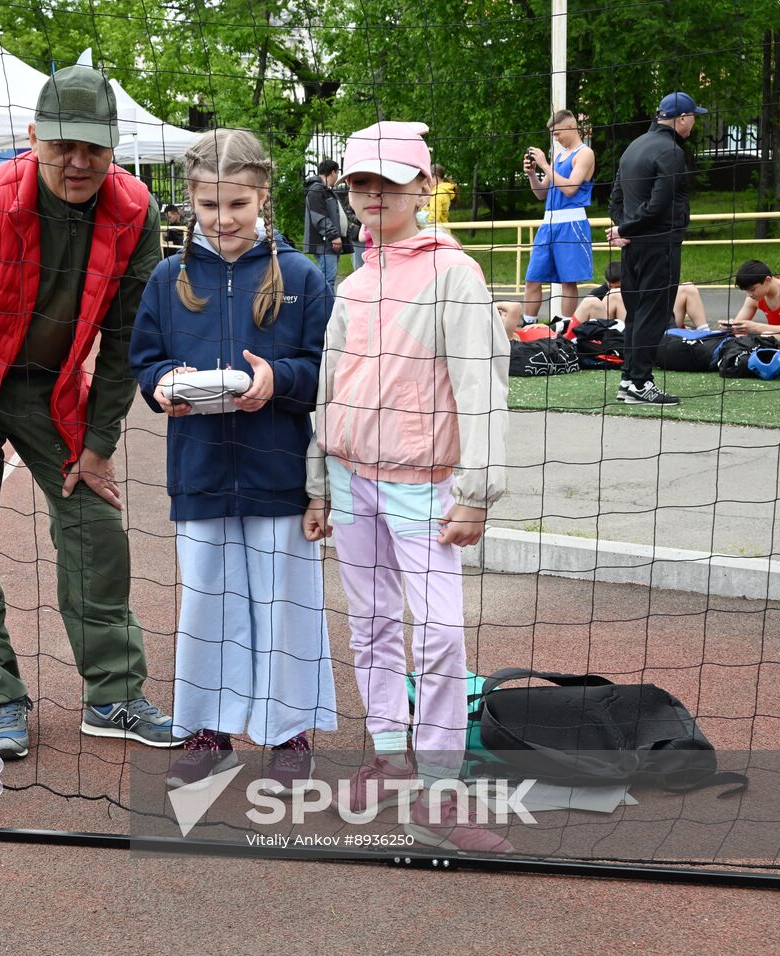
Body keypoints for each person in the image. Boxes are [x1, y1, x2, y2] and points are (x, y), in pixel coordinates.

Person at [0, 64, 177, 759]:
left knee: (96, 524)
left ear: (113, 147)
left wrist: (100, 443)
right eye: (62, 144)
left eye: (94, 147)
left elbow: (125, 342)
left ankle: (112, 693)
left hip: (49, 389)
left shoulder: (135, 212)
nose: (78, 161)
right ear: (34, 137)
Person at [303, 120, 512, 853]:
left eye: (388, 182)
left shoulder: (454, 273)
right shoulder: (354, 283)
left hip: (425, 487)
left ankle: (441, 787)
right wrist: (320, 483)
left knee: (444, 635)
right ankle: (391, 754)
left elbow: (482, 385)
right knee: (372, 625)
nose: (371, 195)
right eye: (360, 181)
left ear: (424, 187)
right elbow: (330, 389)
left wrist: (479, 490)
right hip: (352, 482)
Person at [130, 128, 337, 793]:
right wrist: (163, 386)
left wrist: (278, 379)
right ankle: (209, 728)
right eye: (211, 206)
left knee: (285, 605)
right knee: (208, 604)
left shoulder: (301, 277)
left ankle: (287, 730)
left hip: (279, 473)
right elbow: (147, 359)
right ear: (191, 201)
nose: (223, 220)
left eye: (237, 206)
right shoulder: (169, 278)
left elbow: (325, 372)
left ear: (263, 198)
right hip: (201, 474)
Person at [607, 91, 705, 406]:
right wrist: (625, 229)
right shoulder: (671, 151)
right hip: (659, 243)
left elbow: (615, 200)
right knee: (653, 314)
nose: (693, 124)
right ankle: (641, 383)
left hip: (633, 247)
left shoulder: (633, 147)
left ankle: (629, 380)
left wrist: (624, 230)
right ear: (682, 119)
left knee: (636, 313)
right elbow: (659, 205)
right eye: (693, 118)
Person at [522, 109, 596, 323]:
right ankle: (528, 324)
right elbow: (541, 193)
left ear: (571, 127)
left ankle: (564, 327)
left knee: (567, 281)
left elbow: (571, 188)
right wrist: (532, 174)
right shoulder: (559, 155)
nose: (555, 138)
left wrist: (545, 165)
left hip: (572, 223)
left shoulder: (585, 153)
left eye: (557, 133)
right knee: (532, 278)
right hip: (549, 224)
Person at [568, 261, 708, 331]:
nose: (617, 288)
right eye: (612, 285)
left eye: (621, 285)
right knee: (614, 296)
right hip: (628, 333)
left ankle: (705, 333)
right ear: (607, 283)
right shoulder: (604, 293)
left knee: (688, 287)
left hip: (660, 325)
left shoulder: (642, 282)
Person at [303, 159, 347, 293]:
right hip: (325, 243)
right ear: (333, 172)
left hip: (329, 243)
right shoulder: (316, 189)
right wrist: (333, 235)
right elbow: (318, 217)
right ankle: (325, 312)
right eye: (338, 173)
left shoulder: (324, 189)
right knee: (327, 281)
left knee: (328, 280)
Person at [726, 259, 780, 335]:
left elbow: (756, 328)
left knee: (765, 336)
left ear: (767, 280)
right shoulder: (753, 298)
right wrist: (731, 327)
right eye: (747, 291)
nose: (749, 295)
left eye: (752, 289)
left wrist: (757, 327)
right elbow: (738, 327)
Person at [425, 163, 456, 229]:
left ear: (435, 177)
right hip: (444, 229)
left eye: (429, 179)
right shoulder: (444, 191)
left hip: (436, 231)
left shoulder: (437, 193)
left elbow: (434, 216)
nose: (428, 182)